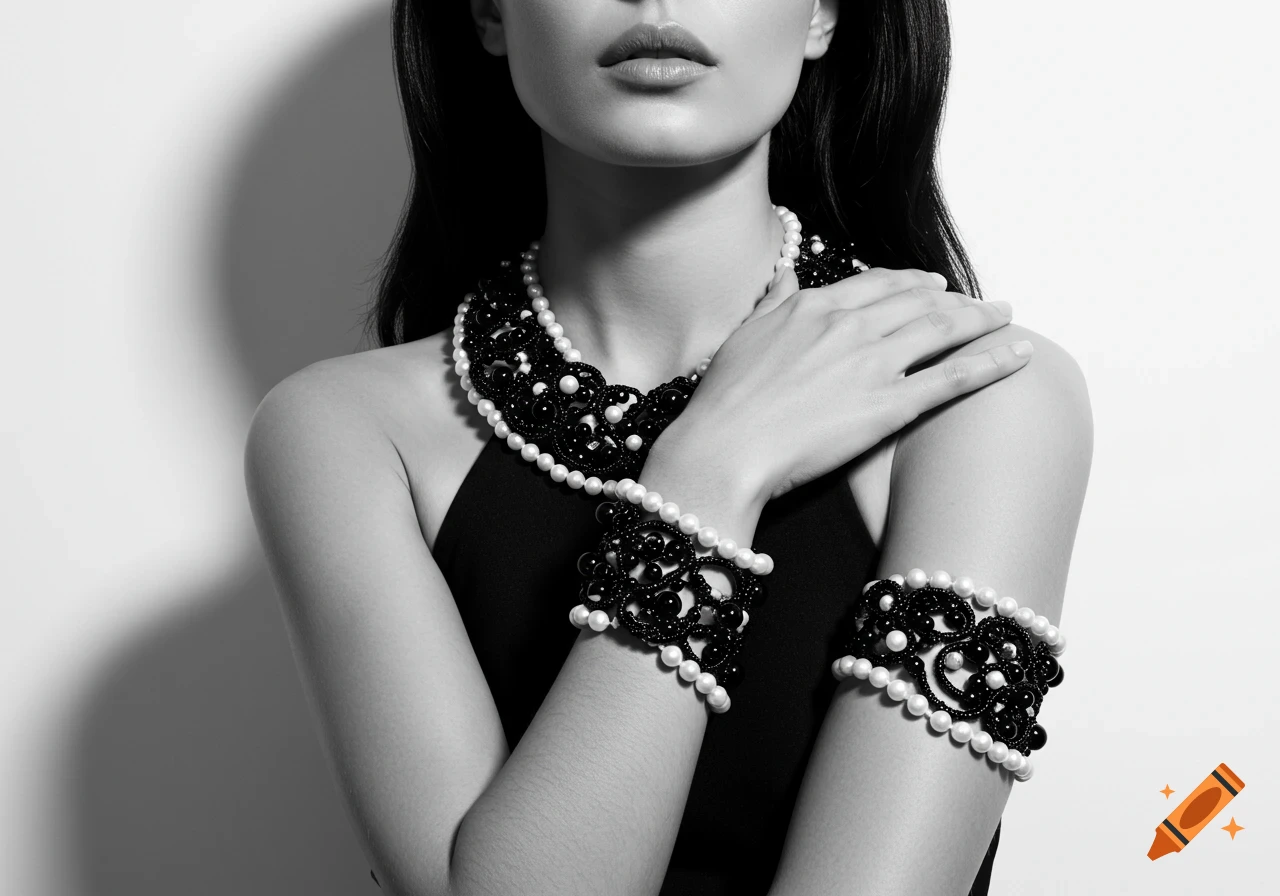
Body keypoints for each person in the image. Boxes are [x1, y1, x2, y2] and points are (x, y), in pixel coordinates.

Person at [244, 1, 1093, 893]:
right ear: (491, 11)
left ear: (822, 13)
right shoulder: (343, 432)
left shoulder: (980, 397)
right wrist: (708, 474)